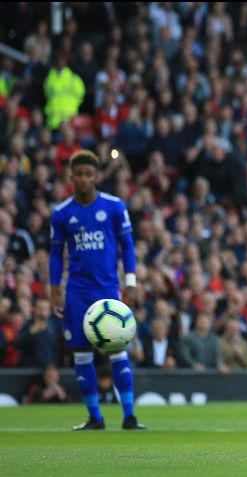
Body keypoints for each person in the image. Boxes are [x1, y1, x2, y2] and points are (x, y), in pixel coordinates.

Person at [49, 149, 145, 430]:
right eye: (78, 174)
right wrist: (55, 289)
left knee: (118, 351)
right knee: (80, 353)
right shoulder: (62, 213)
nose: (83, 179)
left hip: (107, 291)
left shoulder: (114, 206)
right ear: (71, 177)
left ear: (97, 176)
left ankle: (129, 416)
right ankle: (95, 417)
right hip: (77, 291)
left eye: (88, 174)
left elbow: (127, 246)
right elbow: (55, 254)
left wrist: (131, 282)